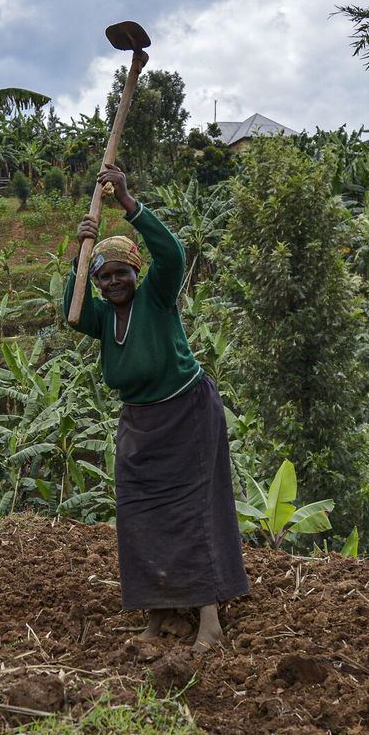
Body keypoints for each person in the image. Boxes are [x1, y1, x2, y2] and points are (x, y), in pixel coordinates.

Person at [64, 163, 248, 652]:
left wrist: (127, 202)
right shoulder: (102, 317)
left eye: (120, 273)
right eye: (104, 277)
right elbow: (71, 310)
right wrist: (78, 256)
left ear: (136, 273)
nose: (112, 283)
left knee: (192, 510)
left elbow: (173, 252)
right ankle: (160, 613)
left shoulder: (158, 297)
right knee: (139, 515)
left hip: (187, 413)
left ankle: (209, 619)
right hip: (140, 426)